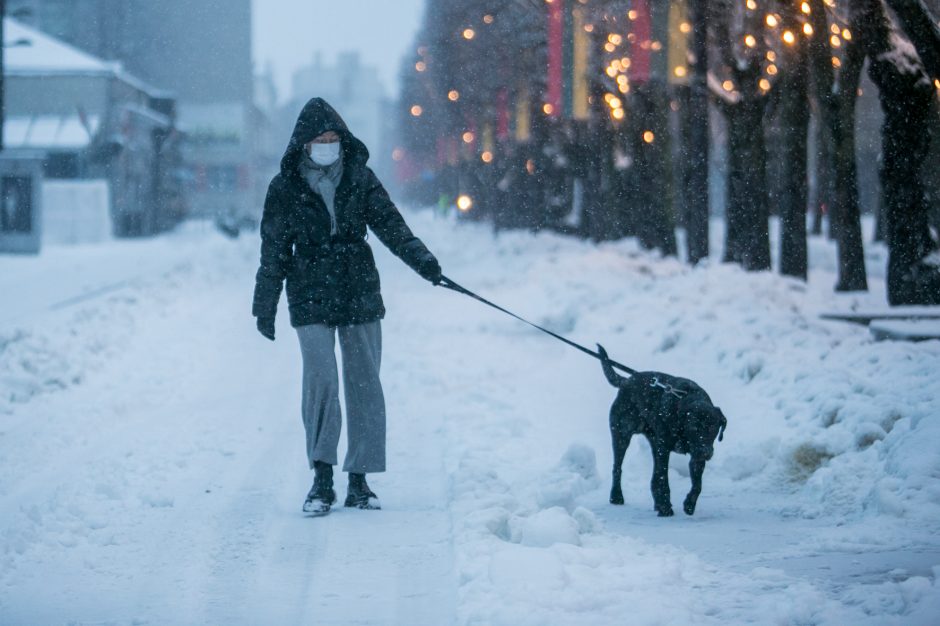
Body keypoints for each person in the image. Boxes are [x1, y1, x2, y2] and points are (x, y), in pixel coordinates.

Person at [252, 98, 442, 516]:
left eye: (333, 138)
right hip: (309, 287)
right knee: (320, 382)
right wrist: (264, 304)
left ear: (343, 141)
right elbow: (274, 251)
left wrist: (424, 262)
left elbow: (392, 226)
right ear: (303, 143)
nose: (327, 145)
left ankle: (360, 480)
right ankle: (322, 477)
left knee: (363, 382)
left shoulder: (361, 177)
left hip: (358, 285)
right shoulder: (283, 188)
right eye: (319, 139)